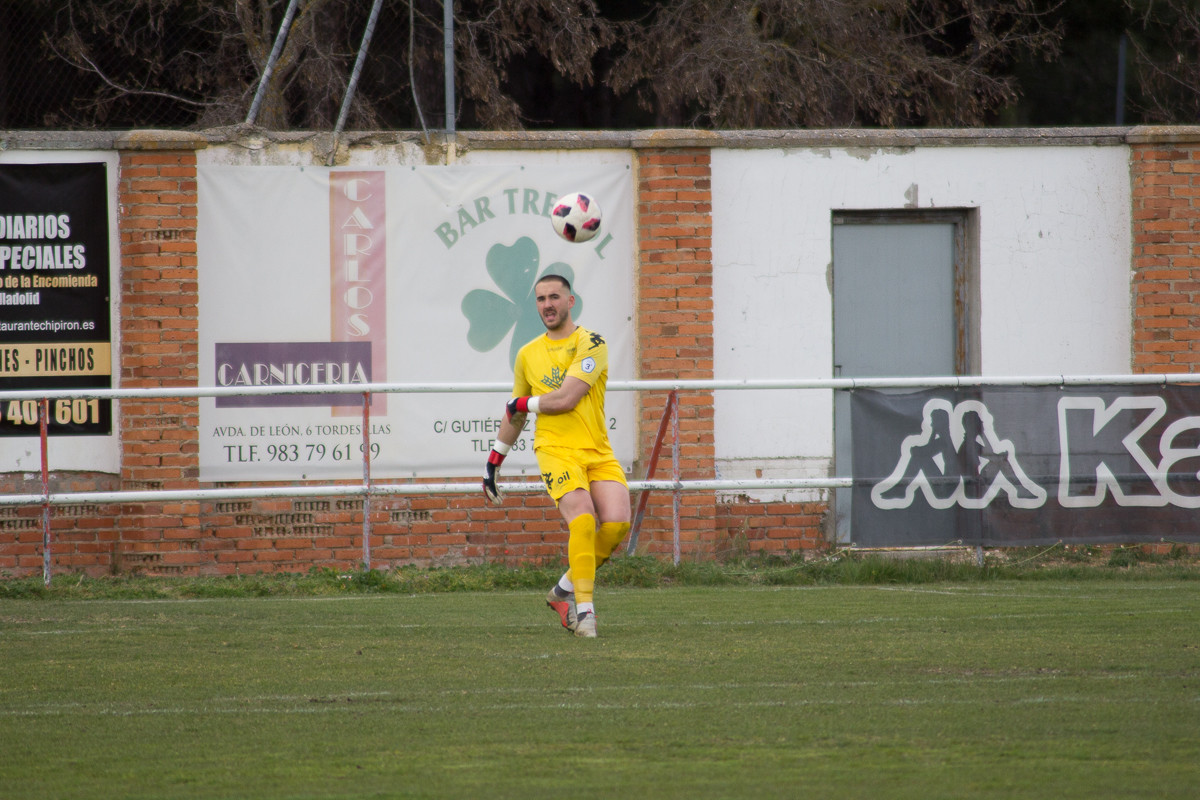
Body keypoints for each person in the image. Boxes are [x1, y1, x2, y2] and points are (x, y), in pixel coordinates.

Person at [482, 274, 631, 638]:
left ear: (570, 301)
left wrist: (522, 402)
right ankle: (585, 613)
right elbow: (515, 416)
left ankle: (562, 591)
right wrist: (493, 462)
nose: (546, 305)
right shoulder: (527, 353)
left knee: (616, 524)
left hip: (596, 449)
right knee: (582, 520)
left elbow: (565, 399)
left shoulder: (591, 342)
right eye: (540, 299)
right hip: (554, 449)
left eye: (554, 297)